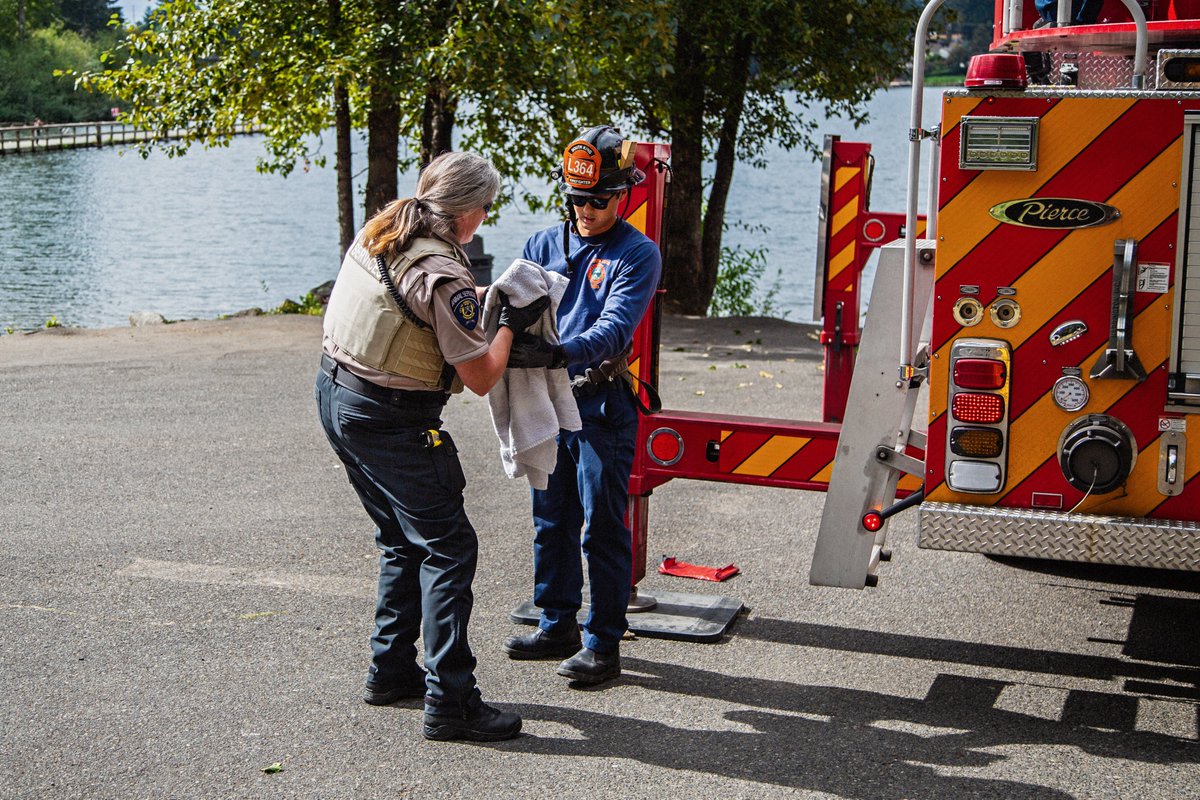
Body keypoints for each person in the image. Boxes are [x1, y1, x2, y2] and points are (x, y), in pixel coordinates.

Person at [315, 151, 548, 741]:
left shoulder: (384, 228)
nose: (485, 220)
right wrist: (511, 324)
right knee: (449, 549)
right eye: (486, 209)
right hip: (391, 420)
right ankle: (452, 702)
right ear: (469, 211)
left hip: (337, 396)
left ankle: (390, 670)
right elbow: (479, 375)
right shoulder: (445, 274)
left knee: (401, 538)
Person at [501, 125, 662, 685]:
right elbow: (514, 304)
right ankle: (557, 623)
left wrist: (556, 351)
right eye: (575, 199)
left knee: (601, 528)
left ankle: (604, 643)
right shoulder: (542, 245)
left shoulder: (637, 254)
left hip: (599, 404)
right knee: (551, 519)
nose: (585, 211)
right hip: (548, 400)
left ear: (623, 196)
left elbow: (616, 330)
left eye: (598, 200)